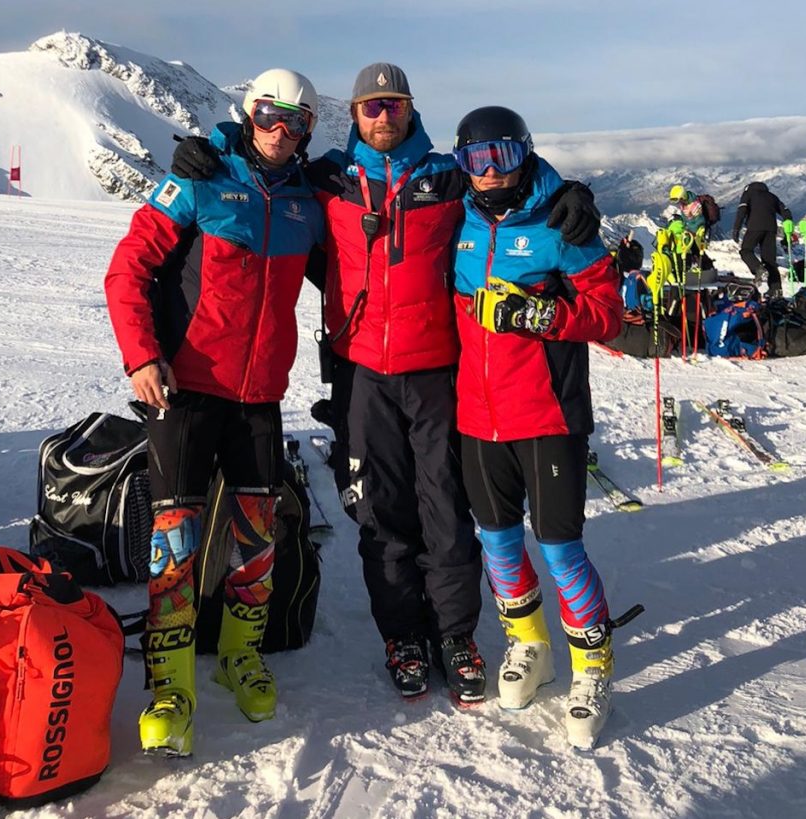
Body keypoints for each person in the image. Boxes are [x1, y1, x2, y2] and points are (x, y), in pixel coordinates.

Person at [170, 62, 602, 706]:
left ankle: (455, 636)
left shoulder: (448, 177)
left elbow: (508, 182)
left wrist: (569, 192)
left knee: (446, 510)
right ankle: (402, 636)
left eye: (394, 105)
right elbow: (262, 167)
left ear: (410, 110)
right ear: (353, 113)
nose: (382, 116)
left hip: (436, 371)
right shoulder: (327, 180)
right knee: (380, 512)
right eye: (370, 107)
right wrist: (212, 146)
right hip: (362, 372)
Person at [104, 68, 324, 756]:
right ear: (248, 113)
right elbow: (128, 268)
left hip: (259, 395)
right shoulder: (199, 180)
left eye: (296, 121)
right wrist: (142, 357)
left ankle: (239, 653)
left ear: (310, 130)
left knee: (258, 536)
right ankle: (170, 685)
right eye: (268, 115)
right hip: (185, 390)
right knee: (175, 539)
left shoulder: (307, 203)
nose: (280, 130)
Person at [450, 106, 632, 749]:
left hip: (547, 415)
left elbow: (609, 314)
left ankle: (592, 668)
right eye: (475, 159)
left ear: (524, 153)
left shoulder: (561, 223)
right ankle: (530, 644)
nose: (489, 172)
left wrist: (542, 315)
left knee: (559, 548)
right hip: (477, 416)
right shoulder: (455, 219)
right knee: (497, 543)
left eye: (501, 155)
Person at [731, 181, 793, 298]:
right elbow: (786, 212)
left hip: (754, 227)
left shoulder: (748, 194)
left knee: (746, 250)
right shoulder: (772, 196)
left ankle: (758, 269)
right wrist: (788, 229)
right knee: (770, 261)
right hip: (771, 229)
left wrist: (736, 229)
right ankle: (776, 290)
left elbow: (742, 211)